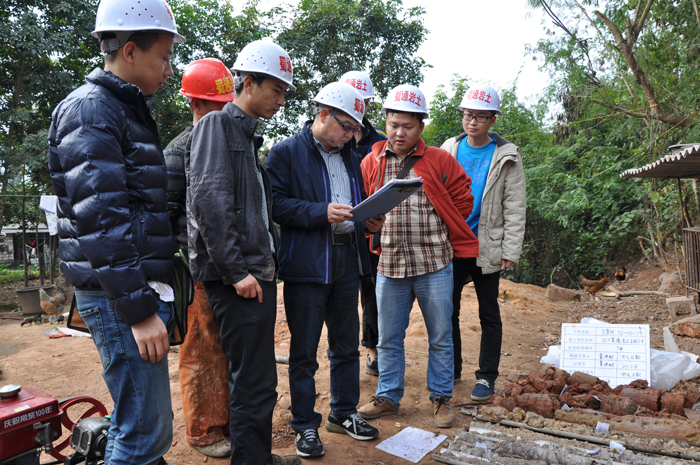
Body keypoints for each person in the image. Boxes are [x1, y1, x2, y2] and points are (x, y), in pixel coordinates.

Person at [47, 1, 184, 463]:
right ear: (130, 51)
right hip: (118, 295)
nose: (169, 70)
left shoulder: (122, 108)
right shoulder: (92, 111)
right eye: (164, 57)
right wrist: (139, 310)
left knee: (145, 426)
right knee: (142, 432)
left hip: (128, 288)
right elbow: (101, 219)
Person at [185, 40, 299, 465]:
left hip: (253, 272)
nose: (281, 100)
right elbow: (210, 202)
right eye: (276, 89)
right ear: (249, 83)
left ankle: (255, 456)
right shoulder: (217, 126)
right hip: (239, 277)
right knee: (253, 381)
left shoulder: (245, 135)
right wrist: (236, 272)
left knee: (255, 378)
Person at [265, 82, 384, 458]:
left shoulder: (350, 155)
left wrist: (368, 218)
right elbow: (275, 206)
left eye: (355, 130)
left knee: (346, 346)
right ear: (323, 115)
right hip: (306, 265)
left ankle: (343, 412)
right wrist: (320, 212)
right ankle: (304, 424)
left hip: (346, 260)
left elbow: (354, 200)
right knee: (303, 353)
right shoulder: (285, 153)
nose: (350, 136)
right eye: (346, 127)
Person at [357, 84, 477, 428]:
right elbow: (363, 203)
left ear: (421, 126)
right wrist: (369, 223)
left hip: (434, 264)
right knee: (388, 337)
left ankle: (440, 398)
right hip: (390, 265)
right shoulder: (372, 161)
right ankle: (387, 396)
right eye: (393, 125)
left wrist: (445, 223)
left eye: (408, 126)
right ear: (385, 122)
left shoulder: (439, 159)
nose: (399, 133)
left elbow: (463, 198)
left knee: (440, 335)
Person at [164, 58, 234, 458]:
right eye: (217, 106)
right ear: (195, 104)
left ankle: (227, 421)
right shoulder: (180, 149)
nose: (224, 113)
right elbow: (164, 212)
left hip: (228, 268)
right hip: (196, 270)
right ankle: (204, 430)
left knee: (226, 350)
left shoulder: (228, 144)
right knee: (201, 352)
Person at [440, 84, 526, 401]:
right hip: (450, 244)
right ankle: (451, 370)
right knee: (446, 311)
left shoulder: (507, 155)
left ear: (493, 120)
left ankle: (487, 377)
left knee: (488, 313)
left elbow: (514, 205)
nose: (472, 122)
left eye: (480, 117)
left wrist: (510, 249)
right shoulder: (448, 148)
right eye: (468, 115)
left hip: (485, 245)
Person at [338, 71, 387, 377]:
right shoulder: (330, 137)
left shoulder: (379, 141)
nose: (357, 106)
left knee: (371, 287)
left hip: (370, 225)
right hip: (337, 222)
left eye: (363, 101)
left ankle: (373, 350)